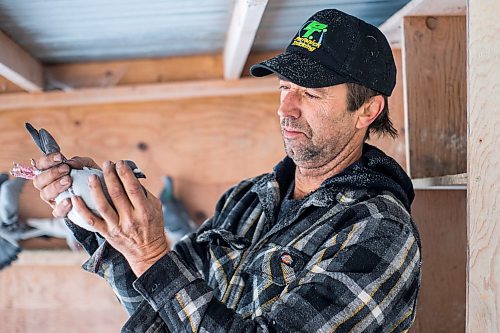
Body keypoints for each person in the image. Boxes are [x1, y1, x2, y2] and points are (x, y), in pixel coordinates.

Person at [33, 9, 421, 332]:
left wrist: (150, 252)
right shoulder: (247, 198)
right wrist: (93, 215)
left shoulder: (379, 230)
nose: (286, 109)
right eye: (285, 87)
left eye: (311, 93)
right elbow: (161, 311)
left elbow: (161, 277)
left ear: (368, 110)